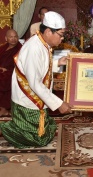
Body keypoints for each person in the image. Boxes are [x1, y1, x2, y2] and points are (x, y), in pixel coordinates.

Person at [0, 11, 72, 148]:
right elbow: (35, 83)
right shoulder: (33, 48)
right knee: (39, 140)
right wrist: (58, 104)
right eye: (61, 35)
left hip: (36, 98)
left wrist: (57, 63)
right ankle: (5, 128)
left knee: (46, 132)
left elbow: (40, 67)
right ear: (49, 32)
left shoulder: (42, 42)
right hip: (26, 100)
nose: (62, 39)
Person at [0, 29, 22, 116]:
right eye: (11, 37)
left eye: (15, 37)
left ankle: (4, 108)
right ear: (6, 38)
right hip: (2, 71)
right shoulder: (2, 48)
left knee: (3, 79)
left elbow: (21, 66)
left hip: (13, 72)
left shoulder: (21, 49)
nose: (13, 39)